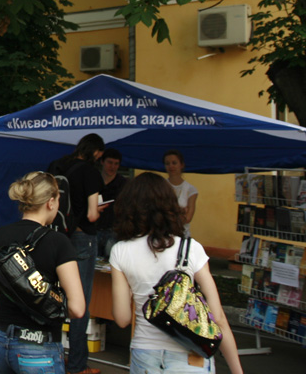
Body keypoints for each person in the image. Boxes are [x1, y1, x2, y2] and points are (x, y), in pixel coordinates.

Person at [109, 172, 242, 374]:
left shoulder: (120, 251)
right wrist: (237, 370)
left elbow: (122, 319)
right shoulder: (191, 249)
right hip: (192, 355)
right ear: (169, 205)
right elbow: (219, 318)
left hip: (145, 354)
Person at [0, 171, 85, 374]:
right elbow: (77, 309)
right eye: (58, 199)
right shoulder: (59, 243)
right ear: (50, 202)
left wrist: (8, 290)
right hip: (39, 345)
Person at [53, 133, 105, 374]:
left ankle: (52, 358)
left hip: (57, 236)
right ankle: (77, 366)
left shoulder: (58, 165)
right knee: (79, 302)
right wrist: (102, 208)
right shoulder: (91, 172)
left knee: (54, 298)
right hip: (83, 238)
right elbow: (92, 215)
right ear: (96, 152)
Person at [96, 148, 126, 260]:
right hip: (95, 229)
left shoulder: (124, 184)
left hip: (114, 230)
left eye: (116, 164)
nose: (112, 167)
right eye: (109, 162)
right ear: (102, 162)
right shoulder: (94, 180)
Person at [164, 149, 198, 236]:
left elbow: (188, 218)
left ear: (182, 165)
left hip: (182, 235)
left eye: (174, 163)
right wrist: (181, 211)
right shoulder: (160, 186)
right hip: (163, 234)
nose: (171, 166)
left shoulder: (191, 190)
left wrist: (169, 213)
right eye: (167, 163)